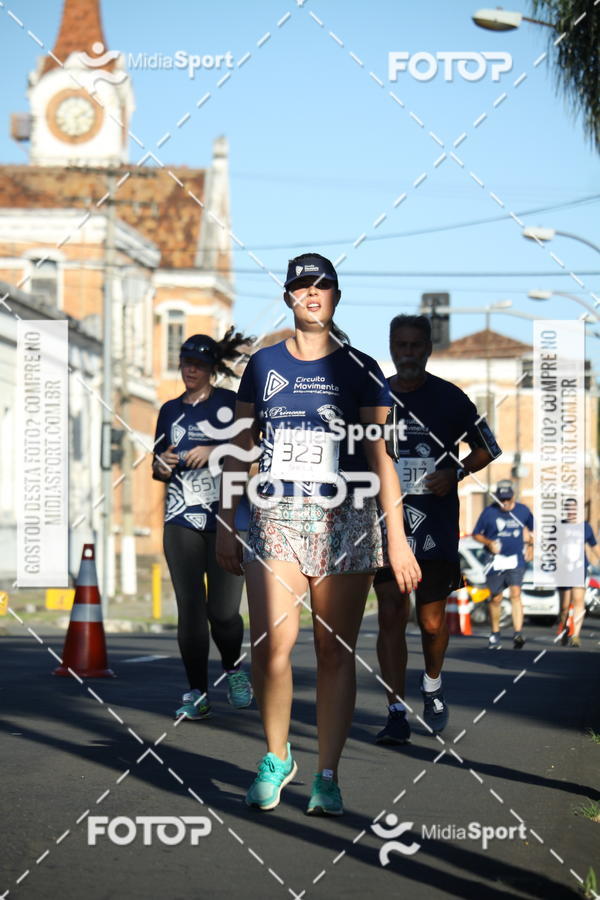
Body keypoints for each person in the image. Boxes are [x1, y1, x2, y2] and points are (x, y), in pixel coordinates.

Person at [216, 252, 420, 816]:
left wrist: (397, 540)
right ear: (288, 297)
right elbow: (239, 449)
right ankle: (277, 756)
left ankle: (327, 774)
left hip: (347, 520)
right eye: (301, 286)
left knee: (334, 650)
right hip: (275, 514)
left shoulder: (362, 368)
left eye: (321, 286)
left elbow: (382, 460)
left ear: (335, 296)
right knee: (273, 648)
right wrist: (230, 523)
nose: (311, 294)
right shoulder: (262, 365)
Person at [374, 315, 500, 745]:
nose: (407, 353)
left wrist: (457, 472)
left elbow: (488, 447)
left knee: (430, 623)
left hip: (436, 523)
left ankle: (432, 684)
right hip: (386, 523)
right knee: (391, 612)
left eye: (415, 346)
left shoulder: (451, 398)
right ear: (391, 347)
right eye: (400, 345)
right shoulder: (376, 395)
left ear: (427, 348)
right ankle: (394, 711)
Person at [152, 331, 253, 720]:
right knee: (190, 608)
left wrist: (214, 450)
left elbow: (252, 450)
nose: (189, 370)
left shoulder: (230, 405)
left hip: (227, 520)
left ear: (212, 368)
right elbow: (157, 467)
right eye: (184, 362)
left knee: (223, 612)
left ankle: (232, 670)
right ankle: (196, 690)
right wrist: (162, 464)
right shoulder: (169, 410)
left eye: (197, 364)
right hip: (181, 519)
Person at [472, 483, 534, 650]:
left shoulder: (523, 511)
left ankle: (518, 633)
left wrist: (530, 547)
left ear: (513, 497)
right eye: (501, 500)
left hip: (515, 560)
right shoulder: (489, 512)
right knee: (496, 598)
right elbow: (476, 534)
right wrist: (488, 542)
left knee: (515, 593)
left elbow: (532, 530)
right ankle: (495, 633)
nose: (505, 502)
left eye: (508, 499)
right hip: (495, 560)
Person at [557, 498, 600, 647]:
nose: (571, 512)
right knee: (564, 606)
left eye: (574, 509)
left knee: (578, 601)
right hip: (563, 570)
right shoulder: (559, 526)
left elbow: (594, 547)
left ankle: (575, 635)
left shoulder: (585, 527)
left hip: (579, 568)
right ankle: (564, 630)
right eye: (568, 508)